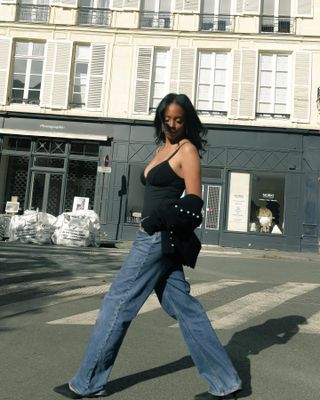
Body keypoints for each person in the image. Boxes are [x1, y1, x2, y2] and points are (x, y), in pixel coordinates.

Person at [54, 93, 242, 400]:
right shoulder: (163, 148)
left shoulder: (187, 150)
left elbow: (194, 202)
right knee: (186, 309)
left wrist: (155, 222)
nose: (172, 124)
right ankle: (226, 384)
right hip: (157, 238)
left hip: (156, 238)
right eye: (166, 119)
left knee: (116, 303)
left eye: (178, 119)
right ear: (159, 119)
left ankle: (88, 382)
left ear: (187, 121)